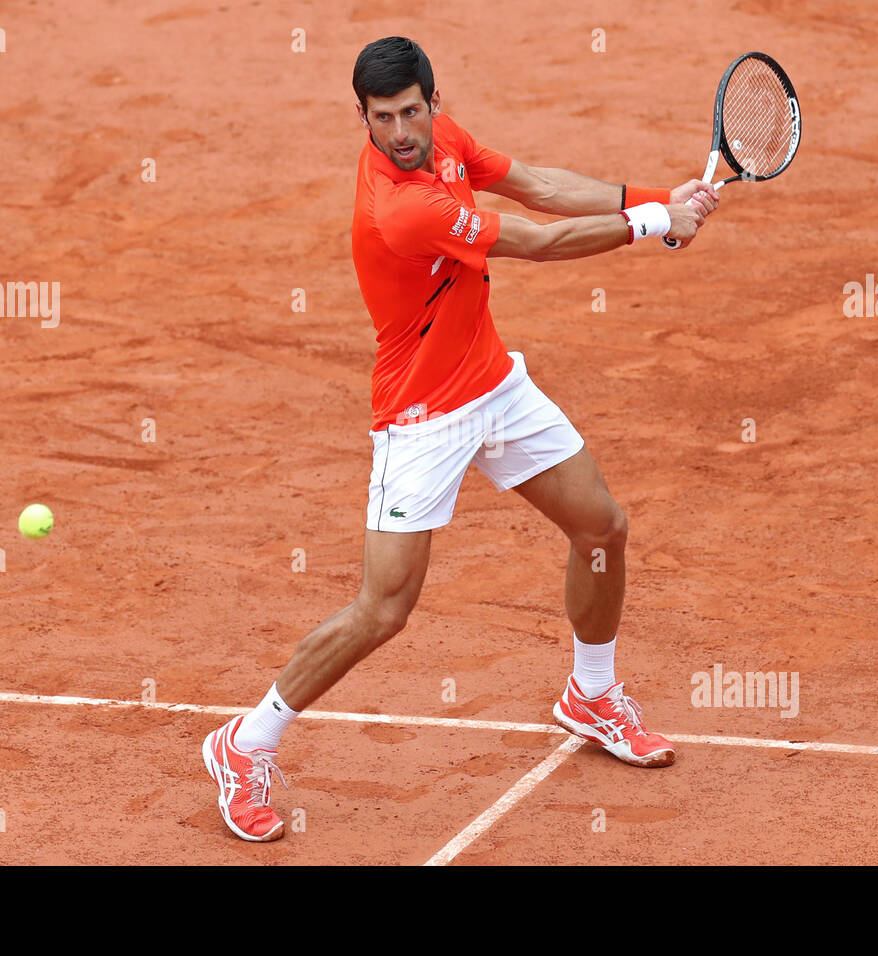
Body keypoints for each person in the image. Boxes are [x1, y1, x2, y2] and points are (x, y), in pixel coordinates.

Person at [203, 35, 718, 842]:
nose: (401, 131)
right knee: (384, 609)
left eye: (412, 111)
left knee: (601, 527)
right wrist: (654, 223)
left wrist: (663, 197)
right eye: (382, 118)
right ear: (363, 119)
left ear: (433, 103)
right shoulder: (402, 206)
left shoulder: (443, 143)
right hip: (420, 414)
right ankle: (244, 743)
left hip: (492, 383)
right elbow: (538, 241)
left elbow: (539, 186)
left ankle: (591, 692)